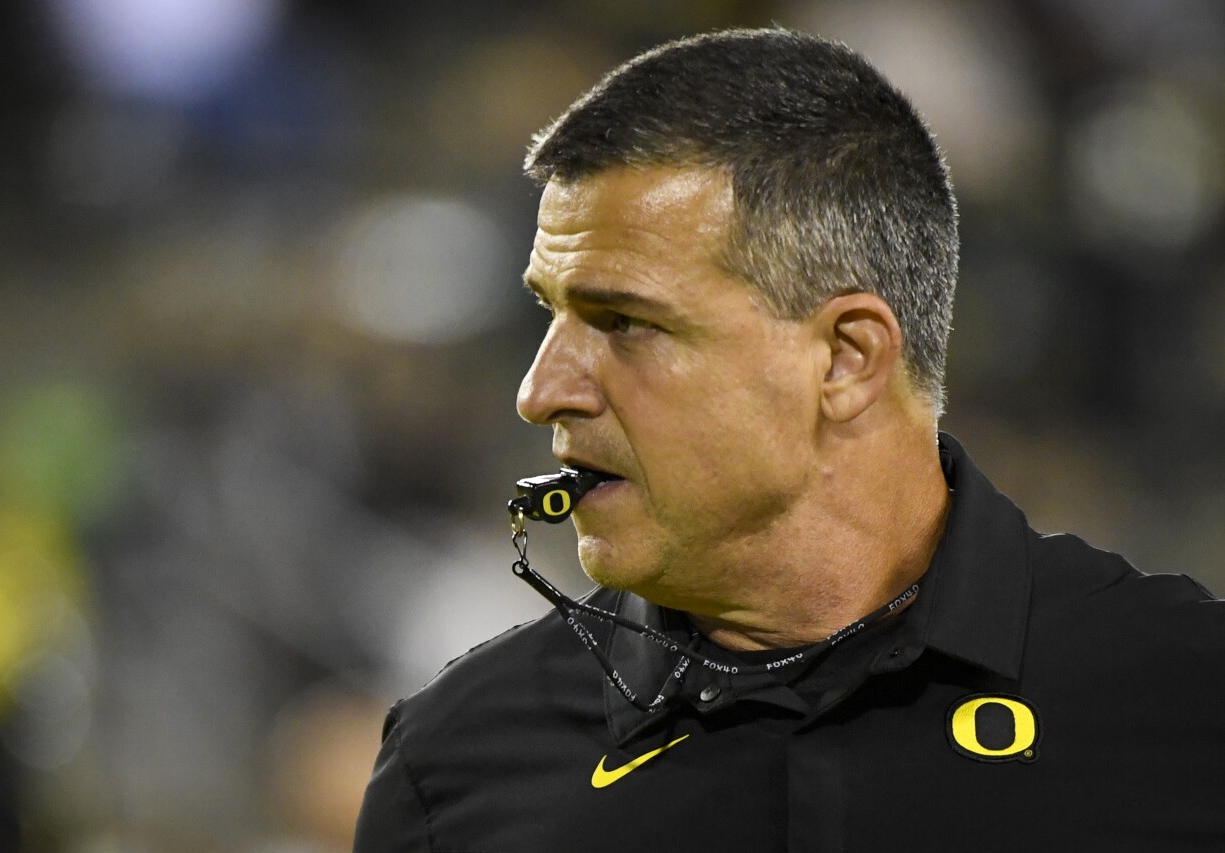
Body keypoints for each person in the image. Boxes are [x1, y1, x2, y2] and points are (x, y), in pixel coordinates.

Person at [354, 28, 1225, 852]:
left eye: (623, 321)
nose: (541, 392)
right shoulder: (457, 762)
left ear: (846, 360)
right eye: (551, 314)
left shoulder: (1184, 699)